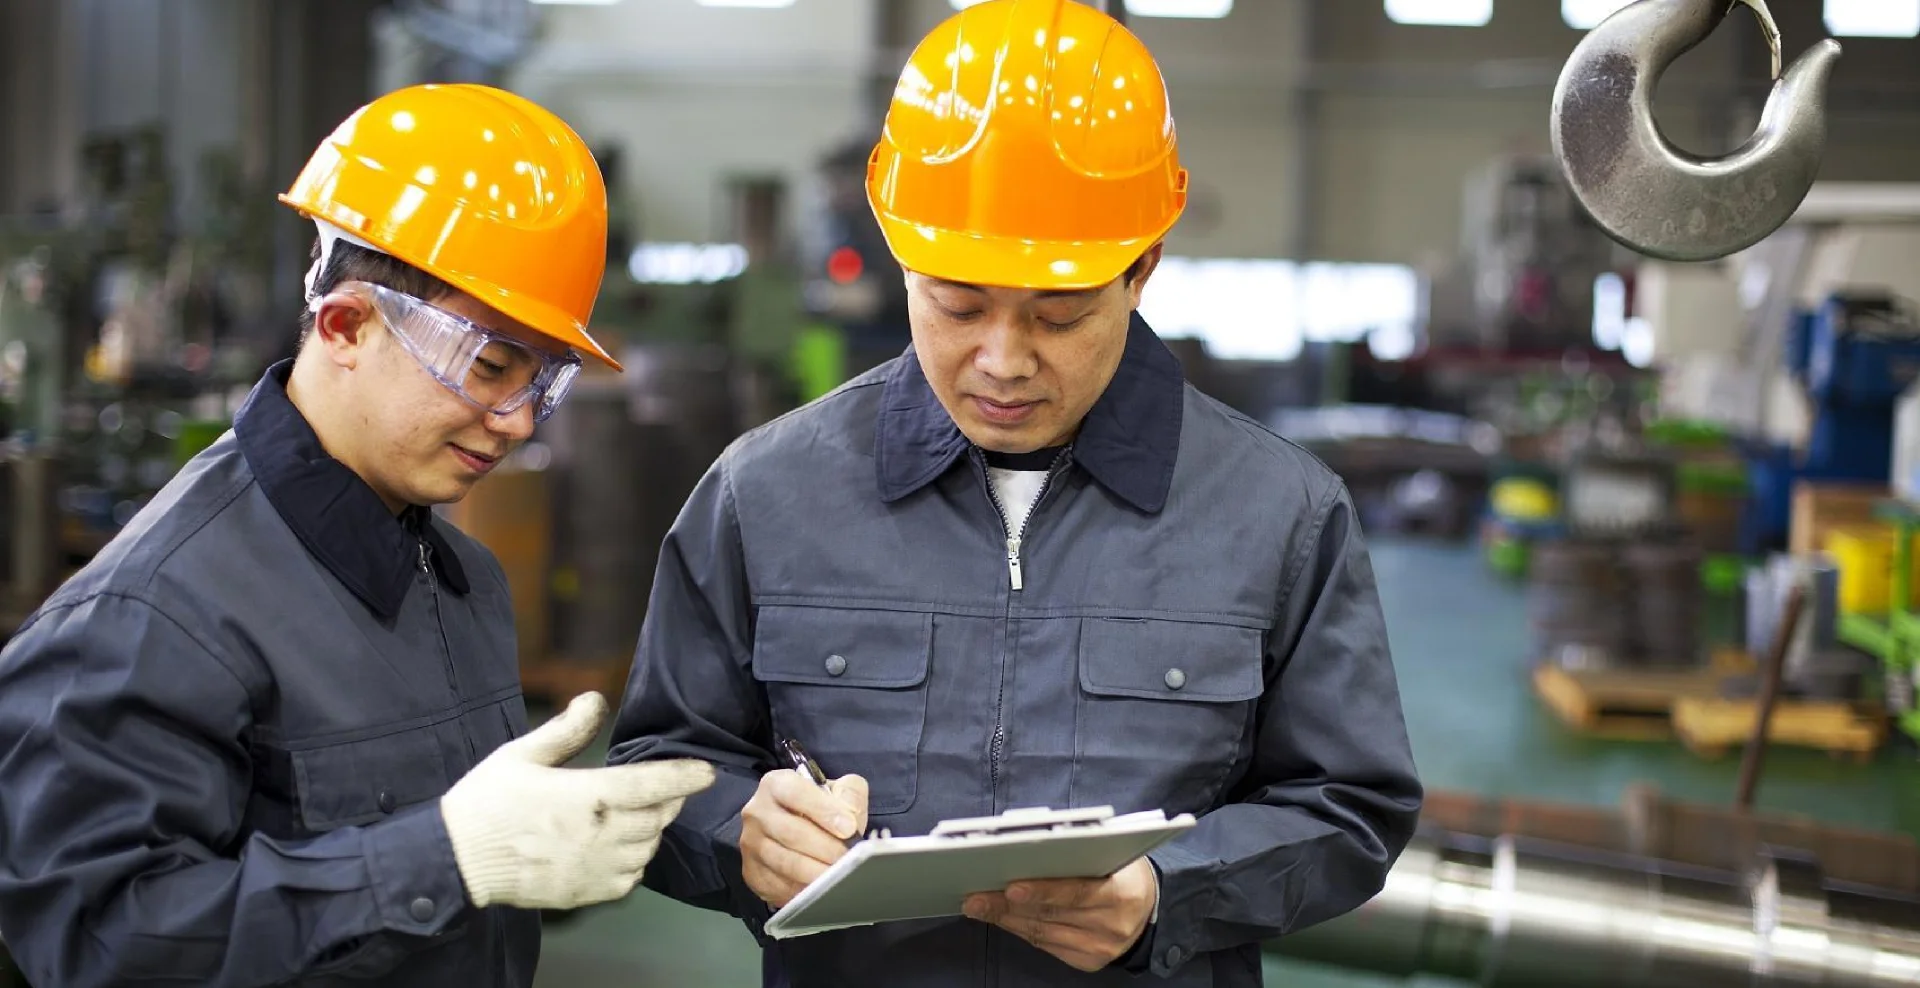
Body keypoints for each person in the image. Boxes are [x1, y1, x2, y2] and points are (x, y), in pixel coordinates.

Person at [606, 2, 1423, 985]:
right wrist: (737, 830)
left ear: (1141, 271)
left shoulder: (1281, 513)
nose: (1001, 360)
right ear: (902, 258)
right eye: (955, 303)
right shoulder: (764, 492)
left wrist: (1173, 890)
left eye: (1060, 313)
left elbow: (1350, 805)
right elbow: (659, 766)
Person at [0, 83, 715, 988]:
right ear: (345, 324)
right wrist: (448, 859)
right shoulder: (151, 616)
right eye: (489, 366)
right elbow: (102, 948)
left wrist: (550, 850)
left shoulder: (462, 581)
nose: (519, 423)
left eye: (542, 383)